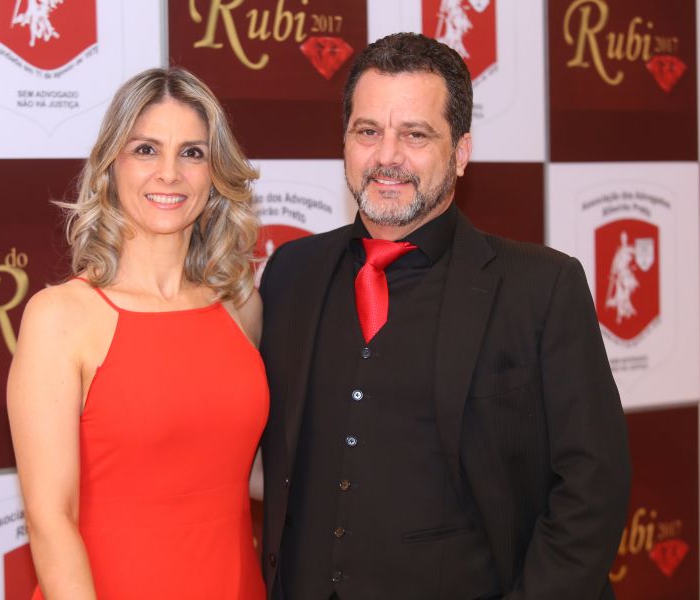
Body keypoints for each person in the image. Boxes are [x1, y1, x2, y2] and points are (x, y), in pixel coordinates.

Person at [258, 33, 631, 600]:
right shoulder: (290, 273)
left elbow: (593, 484)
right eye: (367, 131)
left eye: (415, 134)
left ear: (460, 152)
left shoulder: (541, 287)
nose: (387, 156)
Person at [7, 67, 267, 600]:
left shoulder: (241, 307)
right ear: (111, 166)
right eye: (146, 150)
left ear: (216, 173)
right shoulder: (60, 317)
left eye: (192, 153)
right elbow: (50, 518)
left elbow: (245, 468)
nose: (169, 173)